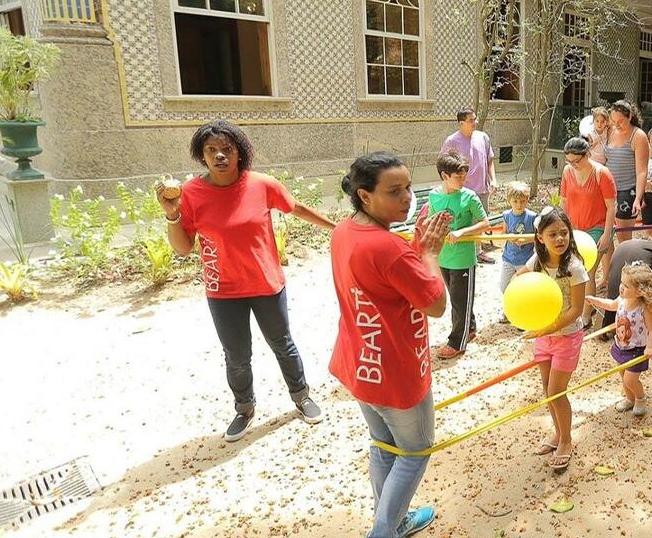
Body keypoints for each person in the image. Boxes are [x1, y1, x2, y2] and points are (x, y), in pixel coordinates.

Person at [158, 120, 331, 442]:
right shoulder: (191, 194)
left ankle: (301, 395)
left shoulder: (262, 184)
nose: (220, 156)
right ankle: (244, 408)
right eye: (212, 150)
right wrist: (172, 214)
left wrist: (338, 228)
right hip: (223, 291)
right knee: (237, 356)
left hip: (266, 285)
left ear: (240, 152)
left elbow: (297, 208)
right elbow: (182, 249)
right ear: (201, 155)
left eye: (227, 149)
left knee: (283, 344)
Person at [328, 152, 452, 538]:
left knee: (385, 446)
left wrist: (415, 251)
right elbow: (435, 304)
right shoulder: (387, 247)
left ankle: (393, 522)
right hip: (396, 376)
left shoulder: (345, 230)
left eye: (409, 188)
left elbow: (387, 281)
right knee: (414, 454)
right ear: (365, 196)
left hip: (362, 366)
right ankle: (383, 531)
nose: (407, 198)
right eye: (394, 191)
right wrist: (429, 253)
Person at [516, 206, 588, 472]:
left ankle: (566, 441)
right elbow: (520, 279)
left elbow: (576, 310)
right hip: (543, 336)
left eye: (564, 233)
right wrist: (517, 288)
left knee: (557, 392)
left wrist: (547, 328)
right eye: (552, 234)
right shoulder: (536, 261)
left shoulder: (574, 267)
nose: (559, 239)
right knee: (548, 393)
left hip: (566, 337)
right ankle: (557, 434)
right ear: (540, 237)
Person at [431, 151, 490, 360]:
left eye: (465, 175)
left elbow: (485, 223)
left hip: (463, 259)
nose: (463, 180)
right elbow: (432, 220)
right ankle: (470, 328)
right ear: (444, 176)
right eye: (459, 177)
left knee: (459, 301)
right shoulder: (434, 196)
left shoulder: (469, 196)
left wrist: (461, 232)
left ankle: (457, 342)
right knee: (459, 299)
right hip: (444, 257)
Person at [586, 263, 652, 416]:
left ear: (639, 291)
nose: (621, 287)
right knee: (622, 374)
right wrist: (595, 300)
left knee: (630, 380)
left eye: (626, 285)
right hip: (621, 346)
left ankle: (640, 398)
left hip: (637, 350)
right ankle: (629, 398)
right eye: (621, 283)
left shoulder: (643, 309)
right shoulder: (622, 300)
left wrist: (650, 347)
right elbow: (611, 305)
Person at [559, 137, 617, 301]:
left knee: (588, 270)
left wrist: (607, 235)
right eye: (569, 161)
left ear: (587, 155)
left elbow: (612, 207)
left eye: (576, 160)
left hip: (597, 227)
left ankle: (586, 314)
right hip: (574, 227)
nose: (573, 165)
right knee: (573, 268)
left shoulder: (601, 173)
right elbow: (564, 201)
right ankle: (576, 305)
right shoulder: (567, 171)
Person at [440, 109, 496, 263]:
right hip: (461, 192)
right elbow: (443, 165)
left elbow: (490, 160)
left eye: (475, 119)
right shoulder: (451, 141)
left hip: (481, 189)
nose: (475, 122)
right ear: (461, 123)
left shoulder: (483, 137)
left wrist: (493, 179)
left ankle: (478, 252)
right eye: (471, 120)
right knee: (462, 222)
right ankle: (463, 253)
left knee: (480, 222)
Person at [603, 101, 650, 245]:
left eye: (620, 121)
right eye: (613, 121)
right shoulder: (611, 131)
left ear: (629, 117)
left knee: (623, 236)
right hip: (607, 188)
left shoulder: (638, 136)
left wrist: (638, 198)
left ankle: (626, 265)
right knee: (605, 231)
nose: (617, 125)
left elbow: (642, 171)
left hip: (627, 190)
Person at [497, 181, 537, 324]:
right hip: (509, 258)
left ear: (527, 200)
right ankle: (509, 310)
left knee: (524, 288)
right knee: (504, 285)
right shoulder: (506, 215)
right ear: (509, 201)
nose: (519, 204)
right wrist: (510, 238)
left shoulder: (532, 217)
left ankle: (524, 314)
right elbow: (503, 234)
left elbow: (538, 238)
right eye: (515, 201)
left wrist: (525, 241)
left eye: (522, 201)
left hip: (525, 260)